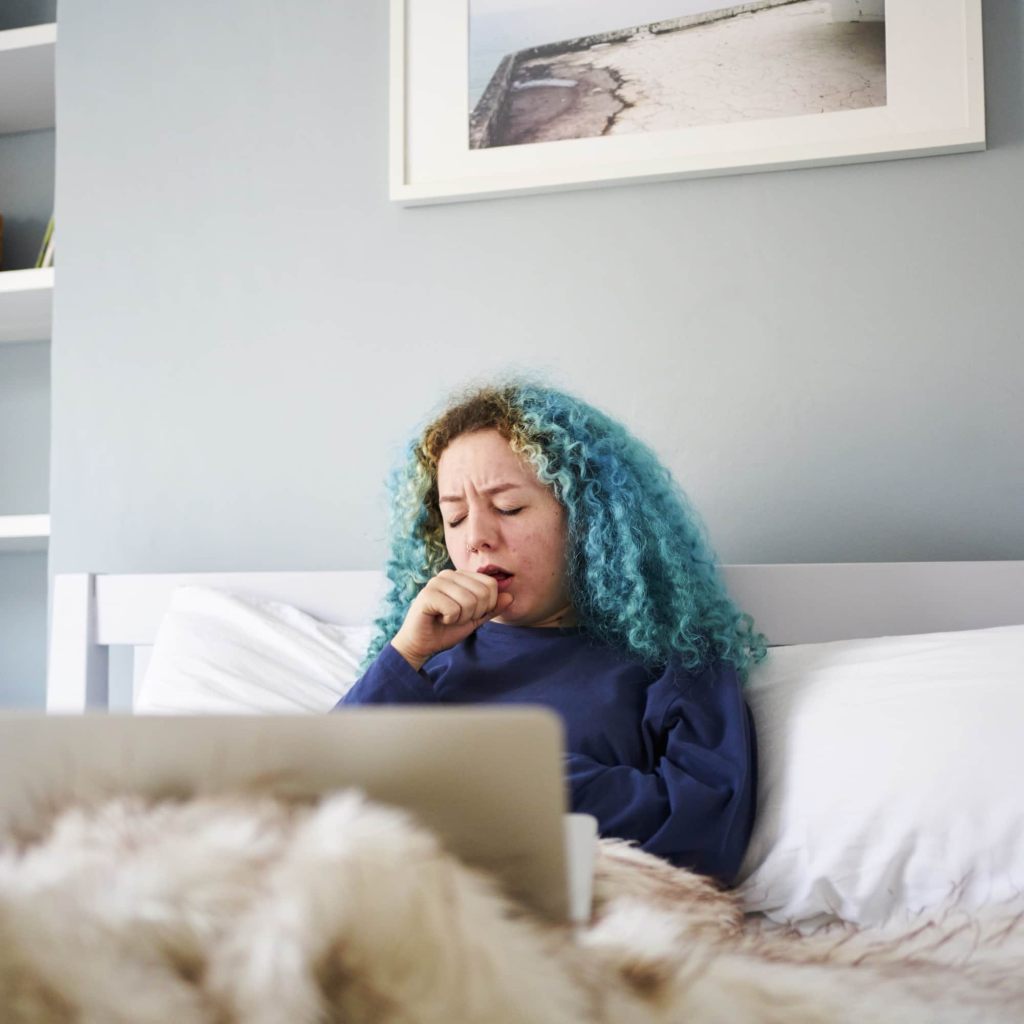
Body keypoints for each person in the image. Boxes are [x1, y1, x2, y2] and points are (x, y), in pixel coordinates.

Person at [337, 380, 765, 884]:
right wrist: (406, 652)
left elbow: (706, 834)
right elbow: (313, 799)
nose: (476, 538)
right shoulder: (421, 663)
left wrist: (505, 772)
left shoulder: (676, 656)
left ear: (587, 517)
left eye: (508, 508)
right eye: (455, 517)